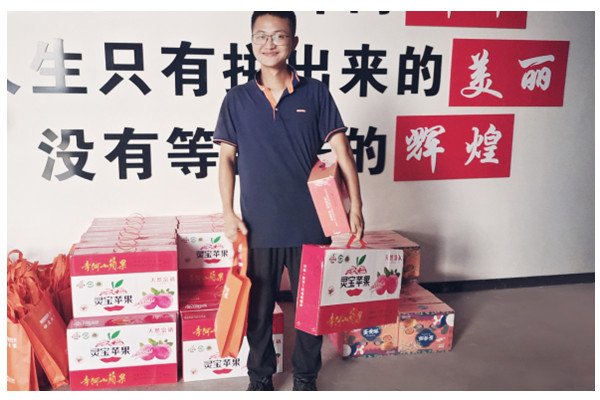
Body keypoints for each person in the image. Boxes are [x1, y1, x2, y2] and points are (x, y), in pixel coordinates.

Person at [214, 11, 364, 391]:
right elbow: (227, 160)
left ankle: (306, 377)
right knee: (258, 311)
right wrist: (228, 212)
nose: (269, 44)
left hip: (310, 222)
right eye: (261, 36)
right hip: (258, 225)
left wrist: (357, 206)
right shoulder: (237, 99)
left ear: (293, 42)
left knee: (310, 308)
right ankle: (260, 377)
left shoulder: (315, 93)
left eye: (279, 36)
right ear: (251, 42)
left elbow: (343, 152)